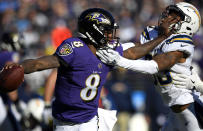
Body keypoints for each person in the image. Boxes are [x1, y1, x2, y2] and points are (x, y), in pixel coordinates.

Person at [3, 7, 175, 131]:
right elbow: (42, 63)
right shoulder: (75, 47)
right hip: (64, 123)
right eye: (107, 31)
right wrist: (21, 66)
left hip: (89, 122)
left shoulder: (109, 51)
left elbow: (133, 52)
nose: (110, 36)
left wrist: (162, 37)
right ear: (94, 30)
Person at [96, 2, 203, 131]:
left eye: (174, 16)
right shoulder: (154, 33)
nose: (166, 17)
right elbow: (134, 51)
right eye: (168, 13)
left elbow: (154, 66)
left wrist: (119, 61)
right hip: (174, 113)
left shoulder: (182, 43)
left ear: (187, 24)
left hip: (192, 111)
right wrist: (104, 52)